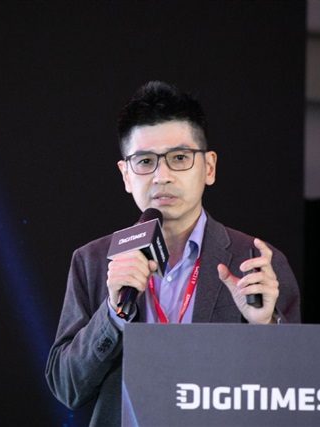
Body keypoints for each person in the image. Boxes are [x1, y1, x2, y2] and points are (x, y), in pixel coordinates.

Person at [45, 81, 301, 426]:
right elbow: (67, 388)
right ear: (126, 175)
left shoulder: (254, 260)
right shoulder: (93, 261)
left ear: (209, 167)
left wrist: (265, 327)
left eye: (179, 158)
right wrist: (113, 314)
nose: (161, 176)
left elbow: (296, 390)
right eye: (145, 161)